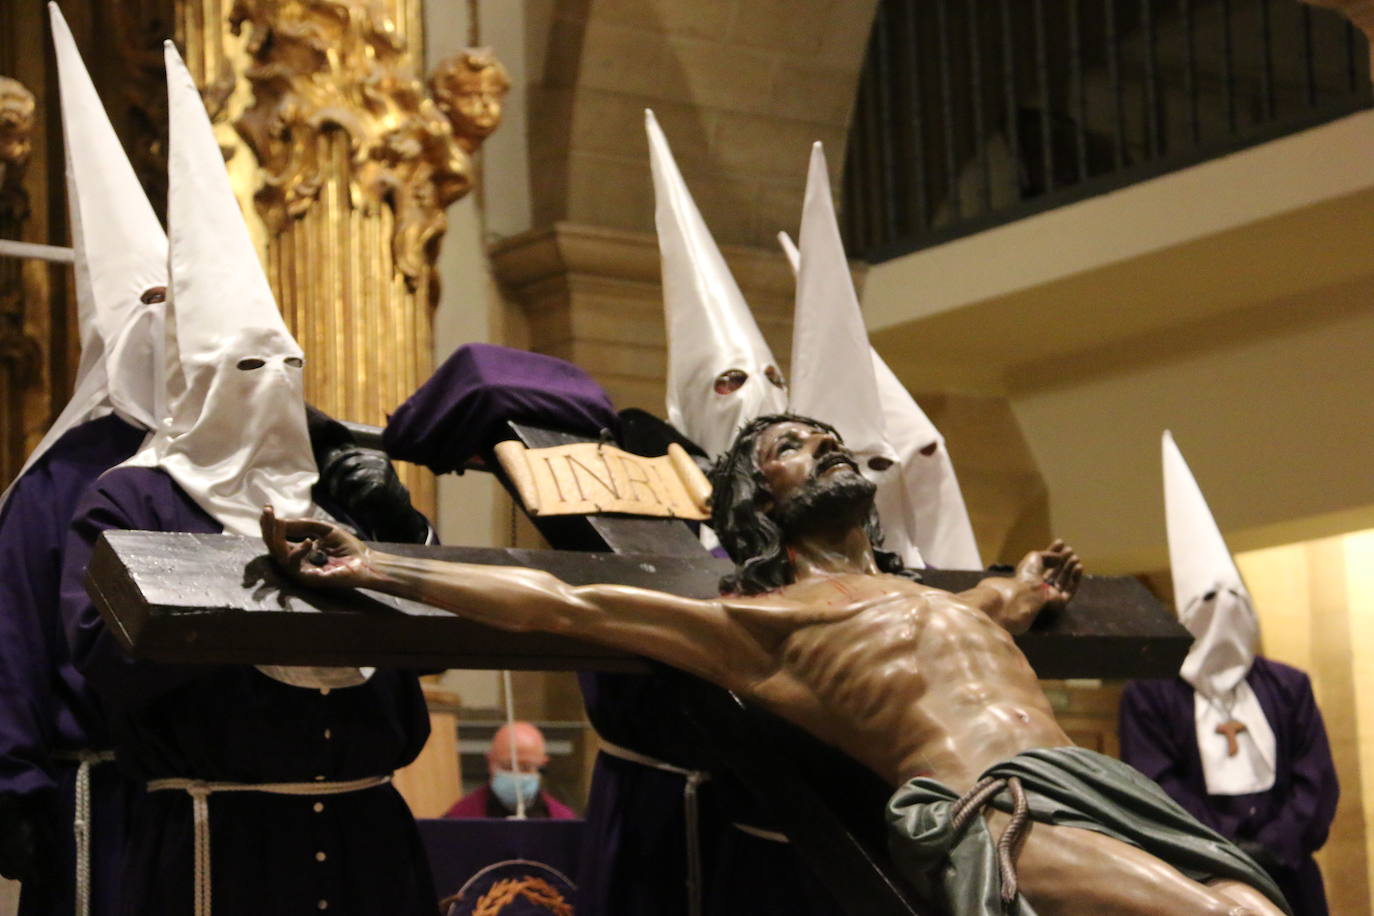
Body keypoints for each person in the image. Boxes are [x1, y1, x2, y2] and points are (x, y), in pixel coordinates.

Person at [265, 413, 1291, 916]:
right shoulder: (766, 625)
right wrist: (379, 559)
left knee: (1257, 905)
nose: (831, 453)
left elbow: (1013, 600)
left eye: (834, 442)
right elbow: (561, 601)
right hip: (992, 812)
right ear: (759, 496)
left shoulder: (950, 597)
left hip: (1096, 786)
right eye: (797, 447)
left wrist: (1030, 586)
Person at [58, 43, 435, 916]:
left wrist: (403, 534)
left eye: (287, 363)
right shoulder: (130, 497)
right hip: (219, 849)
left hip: (368, 838)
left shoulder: (335, 491)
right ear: (193, 378)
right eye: (246, 366)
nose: (272, 384)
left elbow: (425, 637)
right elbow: (99, 656)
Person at [0, 9, 169, 913]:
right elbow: (16, 648)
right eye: (149, 309)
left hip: (201, 801)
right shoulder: (54, 483)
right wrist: (15, 790)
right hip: (93, 804)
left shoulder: (202, 465)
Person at [1120, 433, 1338, 915]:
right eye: (1209, 604)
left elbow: (1315, 778)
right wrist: (1223, 853)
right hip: (1199, 883)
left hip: (1291, 876)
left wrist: (1275, 848)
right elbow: (1154, 786)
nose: (1224, 616)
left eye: (1234, 601)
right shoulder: (1152, 697)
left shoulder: (1287, 686)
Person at [445, 722, 574, 820]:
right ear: (490, 762)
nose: (516, 774)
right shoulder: (460, 816)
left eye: (526, 767)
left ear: (542, 764)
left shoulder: (562, 819)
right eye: (508, 766)